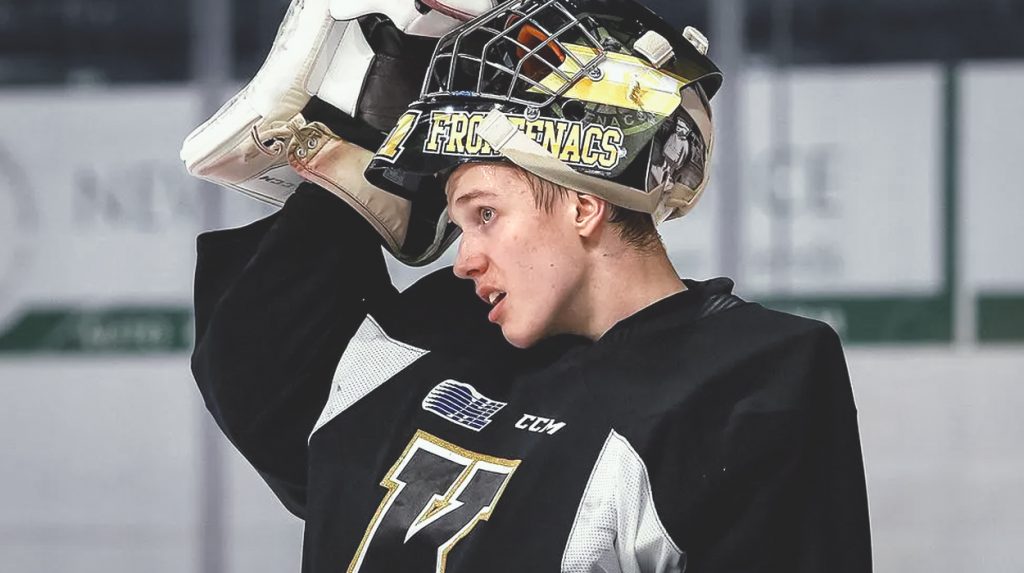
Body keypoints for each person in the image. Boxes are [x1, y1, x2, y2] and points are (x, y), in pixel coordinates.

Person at [190, 0, 872, 571]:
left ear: (584, 202)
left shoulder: (750, 376)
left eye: (485, 215)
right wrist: (356, 132)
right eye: (461, 222)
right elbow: (256, 384)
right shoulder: (440, 328)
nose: (464, 259)